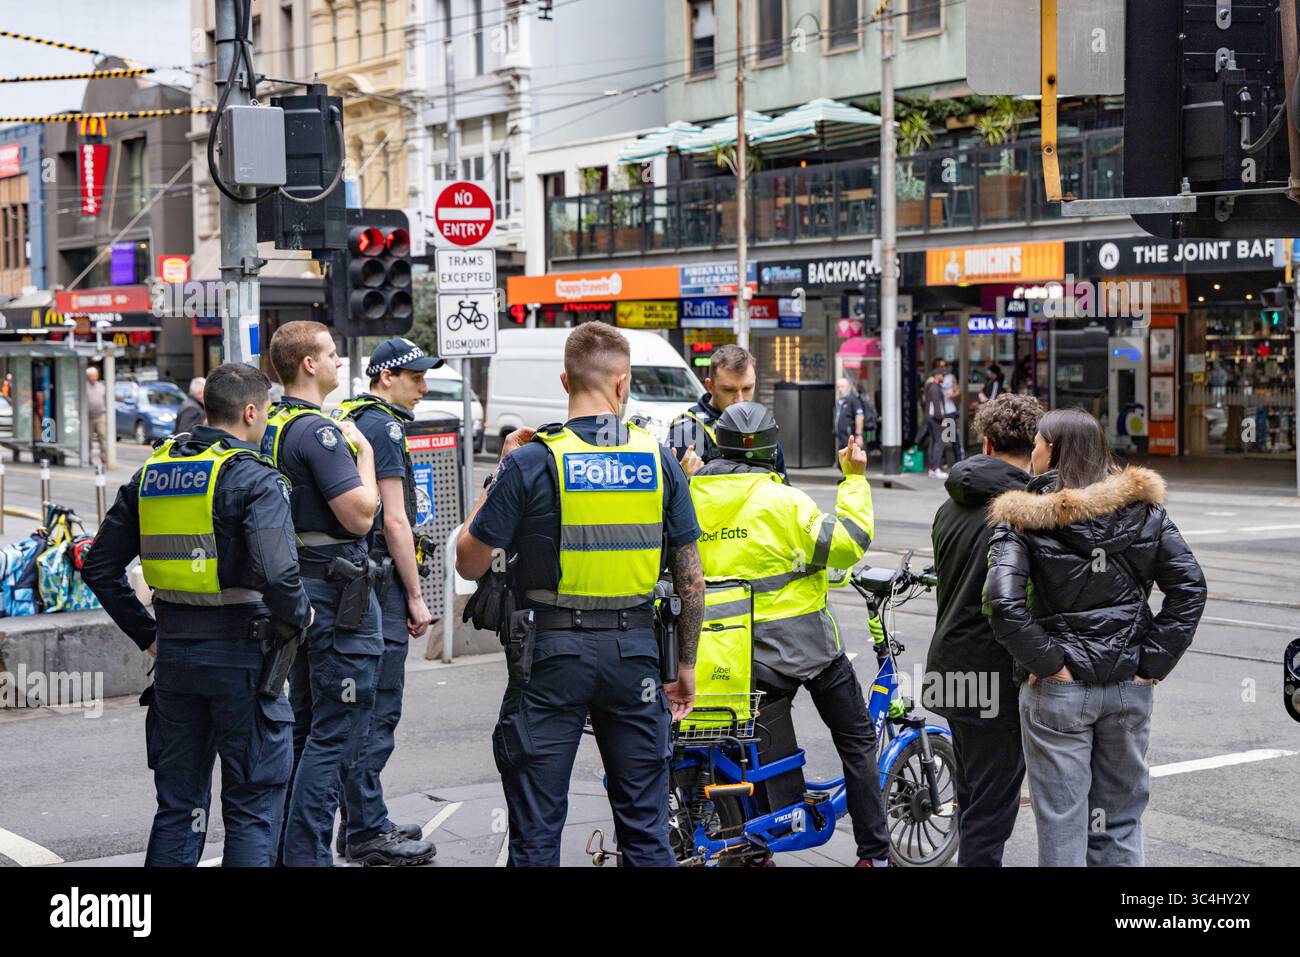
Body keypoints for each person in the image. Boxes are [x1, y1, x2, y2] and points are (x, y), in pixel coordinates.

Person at [456, 321, 705, 867]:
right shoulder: (659, 460)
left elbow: (469, 560)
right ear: (622, 383)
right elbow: (691, 578)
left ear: (564, 380)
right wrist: (684, 664)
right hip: (635, 658)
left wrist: (500, 472)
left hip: (550, 657)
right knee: (645, 829)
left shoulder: (532, 459)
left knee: (537, 830)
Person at [82, 362, 314, 866]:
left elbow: (98, 566)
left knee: (178, 808)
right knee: (252, 806)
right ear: (251, 412)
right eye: (267, 412)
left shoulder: (153, 473)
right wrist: (301, 620)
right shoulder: (255, 477)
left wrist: (148, 635)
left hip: (174, 661)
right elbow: (280, 576)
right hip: (242, 659)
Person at [985, 408, 1206, 867]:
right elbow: (1190, 588)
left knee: (1062, 820)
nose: (1033, 450)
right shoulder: (1146, 510)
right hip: (1129, 687)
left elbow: (1003, 604)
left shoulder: (1022, 518)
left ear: (1055, 450)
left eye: (1040, 442)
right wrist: (1151, 664)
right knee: (1121, 820)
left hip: (1059, 693)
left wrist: (1050, 664)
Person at [685, 402, 893, 867]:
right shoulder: (783, 500)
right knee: (857, 739)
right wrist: (854, 479)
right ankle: (874, 855)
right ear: (769, 447)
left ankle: (752, 849)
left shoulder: (690, 496)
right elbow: (847, 543)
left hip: (735, 658)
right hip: (809, 650)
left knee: (741, 752)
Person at [261, 321, 406, 867]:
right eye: (331, 353)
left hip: (297, 594)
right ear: (308, 365)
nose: (340, 361)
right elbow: (362, 513)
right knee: (337, 733)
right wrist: (365, 454)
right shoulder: (323, 434)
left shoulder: (272, 426)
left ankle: (286, 850)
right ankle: (308, 856)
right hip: (338, 593)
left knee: (301, 728)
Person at [330, 339, 439, 864]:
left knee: (356, 707)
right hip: (379, 586)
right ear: (386, 377)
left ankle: (360, 821)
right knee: (376, 711)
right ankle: (368, 833)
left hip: (346, 582)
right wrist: (416, 595)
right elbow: (394, 519)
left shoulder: (346, 415)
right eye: (415, 376)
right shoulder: (387, 427)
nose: (423, 386)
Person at [925, 393, 1041, 866]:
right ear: (1035, 445)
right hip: (995, 673)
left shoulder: (949, 506)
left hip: (950, 666)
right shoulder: (1030, 509)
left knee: (974, 794)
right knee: (991, 812)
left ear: (987, 443)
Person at [669, 343, 787, 478]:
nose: (739, 399)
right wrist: (686, 480)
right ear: (710, 385)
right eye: (729, 390)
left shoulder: (763, 426)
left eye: (747, 388)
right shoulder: (687, 431)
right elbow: (674, 495)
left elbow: (782, 486)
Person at [922, 370, 950, 479]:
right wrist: (942, 419)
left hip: (931, 418)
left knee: (934, 442)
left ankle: (933, 468)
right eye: (942, 375)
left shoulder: (931, 387)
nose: (943, 377)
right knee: (939, 443)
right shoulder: (934, 388)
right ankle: (935, 469)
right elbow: (937, 405)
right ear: (937, 376)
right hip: (936, 419)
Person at [834, 377, 866, 452]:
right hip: (841, 439)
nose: (840, 389)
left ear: (848, 387)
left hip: (851, 437)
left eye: (842, 386)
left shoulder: (853, 400)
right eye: (838, 387)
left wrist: (858, 435)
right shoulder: (839, 402)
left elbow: (859, 416)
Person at [85, 366, 108, 463]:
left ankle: (104, 458)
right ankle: (88, 458)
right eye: (91, 376)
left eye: (95, 375)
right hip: (88, 416)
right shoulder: (84, 387)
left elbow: (107, 400)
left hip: (100, 415)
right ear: (88, 376)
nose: (93, 377)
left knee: (102, 436)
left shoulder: (102, 387)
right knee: (88, 438)